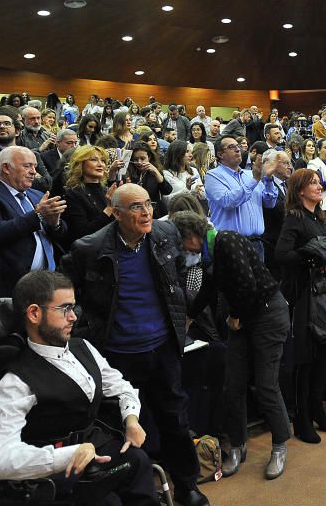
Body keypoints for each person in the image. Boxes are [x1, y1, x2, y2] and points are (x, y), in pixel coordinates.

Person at [60, 184, 208, 506]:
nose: (147, 212)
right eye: (136, 207)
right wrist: (89, 332)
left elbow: (180, 275)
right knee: (120, 429)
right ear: (116, 213)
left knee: (176, 422)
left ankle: (186, 486)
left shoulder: (164, 234)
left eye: (149, 204)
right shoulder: (90, 248)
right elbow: (69, 295)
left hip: (162, 350)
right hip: (117, 356)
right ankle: (133, 491)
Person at [0, 271, 159, 506]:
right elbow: (0, 460)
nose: (74, 318)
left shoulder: (82, 347)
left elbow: (120, 386)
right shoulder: (15, 382)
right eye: (64, 309)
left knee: (137, 461)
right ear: (34, 313)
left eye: (73, 308)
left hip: (96, 449)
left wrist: (131, 419)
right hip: (54, 472)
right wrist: (67, 455)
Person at [172, 211, 291, 480]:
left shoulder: (226, 240)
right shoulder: (209, 252)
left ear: (191, 237)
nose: (183, 250)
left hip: (267, 315)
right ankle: (237, 445)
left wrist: (235, 315)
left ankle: (279, 445)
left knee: (266, 385)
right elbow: (209, 290)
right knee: (232, 386)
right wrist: (189, 315)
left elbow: (247, 285)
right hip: (242, 317)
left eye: (182, 244)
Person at [274, 168, 326, 443]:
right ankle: (302, 419)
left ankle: (317, 410)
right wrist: (313, 257)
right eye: (314, 183)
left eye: (320, 182)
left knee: (321, 356)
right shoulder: (294, 218)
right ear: (300, 190)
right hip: (303, 295)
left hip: (324, 293)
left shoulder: (318, 217)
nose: (320, 186)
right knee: (305, 360)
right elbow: (282, 255)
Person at [0, 146, 68, 300]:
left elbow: (60, 233)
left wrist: (55, 224)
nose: (34, 171)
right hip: (7, 283)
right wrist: (38, 215)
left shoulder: (37, 194)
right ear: (6, 168)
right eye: (27, 166)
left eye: (34, 166)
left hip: (46, 280)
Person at [204, 135, 279, 260]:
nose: (238, 149)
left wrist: (269, 179)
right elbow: (228, 202)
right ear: (220, 154)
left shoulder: (250, 174)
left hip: (257, 244)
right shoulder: (213, 176)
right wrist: (255, 179)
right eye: (232, 147)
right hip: (231, 244)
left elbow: (269, 203)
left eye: (238, 146)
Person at [0, 111, 53, 191]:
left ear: (17, 131)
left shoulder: (32, 154)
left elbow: (47, 183)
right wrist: (29, 178)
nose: (2, 126)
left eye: (7, 123)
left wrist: (8, 178)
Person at [61, 145, 123, 245]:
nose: (100, 164)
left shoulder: (106, 190)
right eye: (94, 160)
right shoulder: (73, 193)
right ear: (81, 164)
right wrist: (109, 209)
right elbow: (82, 233)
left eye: (103, 161)